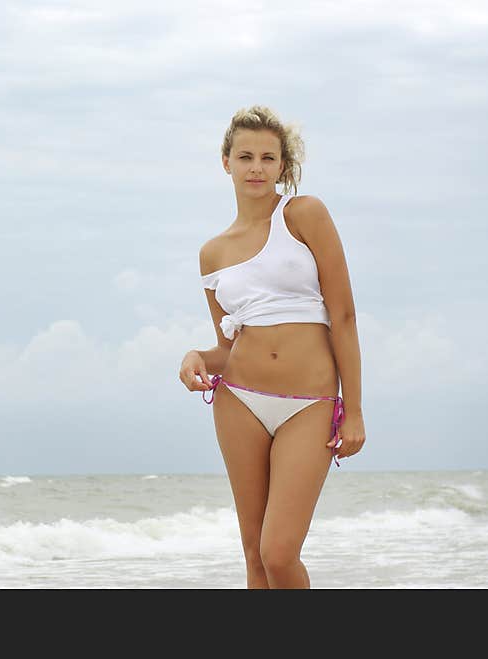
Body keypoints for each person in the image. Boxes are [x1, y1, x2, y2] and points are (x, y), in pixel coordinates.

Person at [179, 105, 366, 589]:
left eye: (267, 157)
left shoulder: (304, 214)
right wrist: (196, 357)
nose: (256, 167)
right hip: (239, 399)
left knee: (279, 553)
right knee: (254, 555)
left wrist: (356, 410)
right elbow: (227, 345)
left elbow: (343, 316)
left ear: (283, 165)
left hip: (310, 403)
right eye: (245, 156)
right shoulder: (213, 252)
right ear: (227, 162)